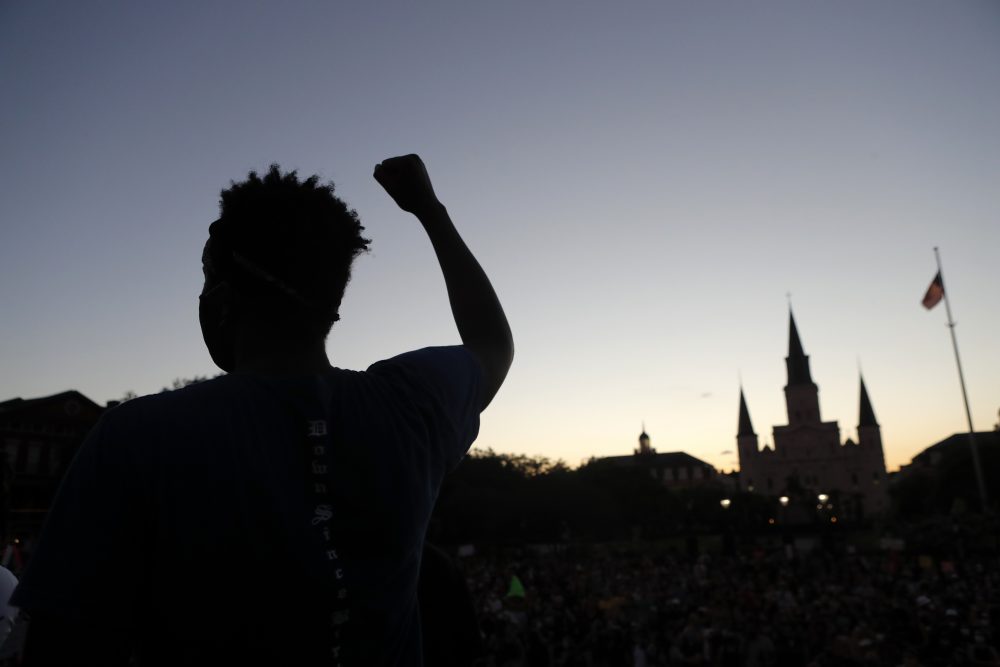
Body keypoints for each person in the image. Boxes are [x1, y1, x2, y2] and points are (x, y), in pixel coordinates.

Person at [12, 154, 513, 665]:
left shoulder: (137, 434)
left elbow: (58, 643)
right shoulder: (411, 406)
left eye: (205, 278)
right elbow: (492, 341)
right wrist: (429, 211)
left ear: (224, 298)